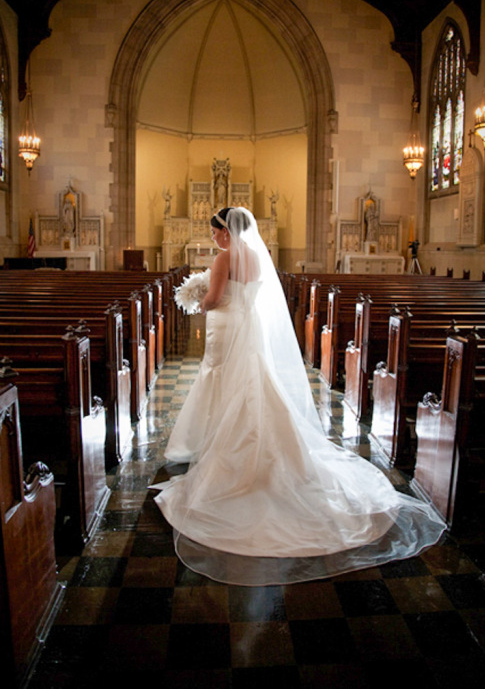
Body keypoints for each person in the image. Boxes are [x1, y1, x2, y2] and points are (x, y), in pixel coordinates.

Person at [154, 207, 445, 585]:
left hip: (226, 329)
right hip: (249, 328)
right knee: (254, 383)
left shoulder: (225, 257)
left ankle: (219, 445)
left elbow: (214, 298)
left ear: (226, 232)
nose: (213, 238)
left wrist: (197, 298)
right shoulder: (257, 256)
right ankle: (234, 440)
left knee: (222, 383)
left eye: (215, 231)